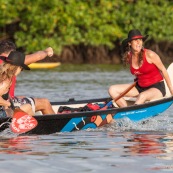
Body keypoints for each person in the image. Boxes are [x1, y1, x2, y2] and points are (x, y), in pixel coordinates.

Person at [108, 29, 173, 107]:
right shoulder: (129, 57)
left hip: (156, 88)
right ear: (129, 43)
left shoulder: (150, 55)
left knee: (142, 96)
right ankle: (125, 110)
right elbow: (139, 73)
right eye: (135, 40)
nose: (138, 42)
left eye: (140, 40)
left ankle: (132, 112)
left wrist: (171, 90)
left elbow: (163, 70)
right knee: (112, 90)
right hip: (140, 87)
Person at [0, 40, 55, 115]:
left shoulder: (5, 69)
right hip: (4, 109)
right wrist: (47, 51)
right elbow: (38, 56)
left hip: (6, 104)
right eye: (21, 68)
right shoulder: (14, 62)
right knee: (44, 103)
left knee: (23, 98)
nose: (21, 70)